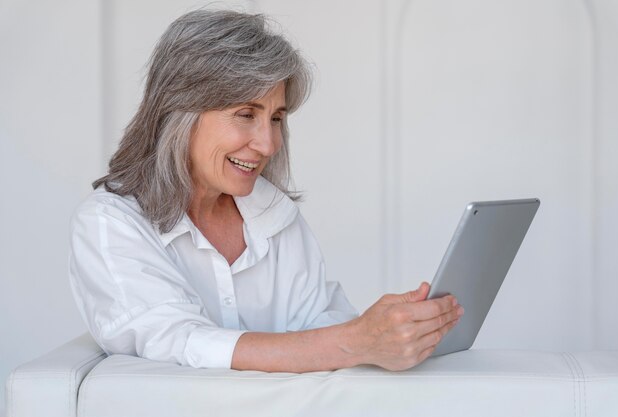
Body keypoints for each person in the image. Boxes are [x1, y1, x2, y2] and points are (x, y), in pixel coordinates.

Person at [69, 8, 463, 373]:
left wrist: (387, 334)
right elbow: (180, 340)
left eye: (276, 118)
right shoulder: (109, 224)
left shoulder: (272, 214)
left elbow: (322, 321)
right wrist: (355, 341)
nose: (269, 144)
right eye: (245, 114)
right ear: (179, 113)